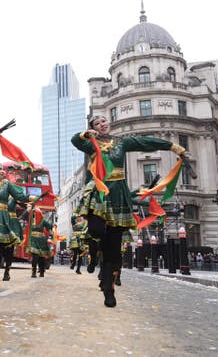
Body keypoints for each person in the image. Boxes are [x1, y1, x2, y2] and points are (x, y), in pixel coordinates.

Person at [72, 115, 185, 307]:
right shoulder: (90, 143)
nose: (102, 124)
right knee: (97, 231)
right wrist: (84, 134)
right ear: (93, 127)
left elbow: (144, 142)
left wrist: (173, 146)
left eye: (104, 121)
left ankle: (109, 289)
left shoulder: (120, 142)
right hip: (99, 191)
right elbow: (75, 140)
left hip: (118, 193)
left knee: (114, 250)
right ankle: (96, 250)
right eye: (97, 123)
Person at [0, 164, 36, 287]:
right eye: (0, 169)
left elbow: (20, 196)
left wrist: (33, 198)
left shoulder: (8, 185)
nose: (3, 171)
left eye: (3, 169)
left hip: (1, 218)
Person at [25, 207, 53, 278]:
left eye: (35, 212)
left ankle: (42, 272)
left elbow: (50, 226)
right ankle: (34, 272)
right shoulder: (31, 220)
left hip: (41, 240)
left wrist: (50, 224)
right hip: (33, 239)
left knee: (41, 257)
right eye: (33, 212)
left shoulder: (43, 220)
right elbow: (25, 220)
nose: (34, 214)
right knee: (35, 256)